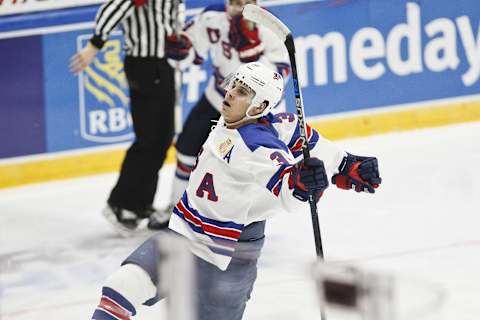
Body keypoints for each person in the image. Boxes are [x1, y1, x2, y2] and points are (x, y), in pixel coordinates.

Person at [89, 62, 382, 320]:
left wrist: (300, 184)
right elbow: (299, 134)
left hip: (227, 256)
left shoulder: (254, 145)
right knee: (122, 286)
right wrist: (345, 164)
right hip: (183, 234)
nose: (230, 93)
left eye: (243, 92)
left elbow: (285, 184)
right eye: (234, 85)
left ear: (258, 107)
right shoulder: (264, 122)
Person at [147, 0, 291, 229]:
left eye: (247, 2)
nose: (241, 7)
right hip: (220, 97)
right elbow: (191, 51)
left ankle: (241, 220)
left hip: (254, 110)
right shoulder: (213, 17)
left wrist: (251, 56)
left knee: (243, 165)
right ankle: (176, 208)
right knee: (186, 149)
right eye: (235, 2)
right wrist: (180, 50)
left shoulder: (271, 27)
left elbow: (281, 75)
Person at [69, 0, 187, 236]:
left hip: (164, 64)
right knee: (149, 138)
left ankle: (140, 205)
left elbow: (173, 18)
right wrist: (95, 44)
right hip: (145, 64)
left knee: (162, 138)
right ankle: (121, 205)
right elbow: (113, 6)